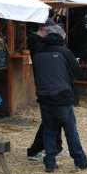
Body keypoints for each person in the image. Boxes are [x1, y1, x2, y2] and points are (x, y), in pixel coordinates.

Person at [31, 20, 87, 172]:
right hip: (62, 97)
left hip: (44, 97)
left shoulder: (37, 52)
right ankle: (80, 160)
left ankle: (50, 163)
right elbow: (77, 71)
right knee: (71, 131)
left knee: (49, 130)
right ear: (61, 37)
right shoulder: (64, 52)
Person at [27, 18, 63, 161]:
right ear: (43, 28)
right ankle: (34, 150)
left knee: (55, 118)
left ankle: (56, 146)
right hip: (45, 86)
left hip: (49, 85)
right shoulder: (37, 44)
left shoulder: (39, 42)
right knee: (49, 121)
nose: (53, 34)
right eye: (51, 31)